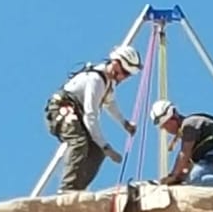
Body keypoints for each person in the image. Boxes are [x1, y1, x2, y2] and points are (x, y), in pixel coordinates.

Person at [45, 45, 142, 193]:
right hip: (61, 109)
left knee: (96, 151)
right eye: (125, 73)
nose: (124, 78)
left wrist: (124, 123)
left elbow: (110, 103)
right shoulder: (96, 80)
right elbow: (90, 115)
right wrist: (105, 145)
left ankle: (79, 187)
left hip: (76, 113)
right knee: (79, 141)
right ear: (116, 64)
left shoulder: (108, 83)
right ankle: (67, 188)